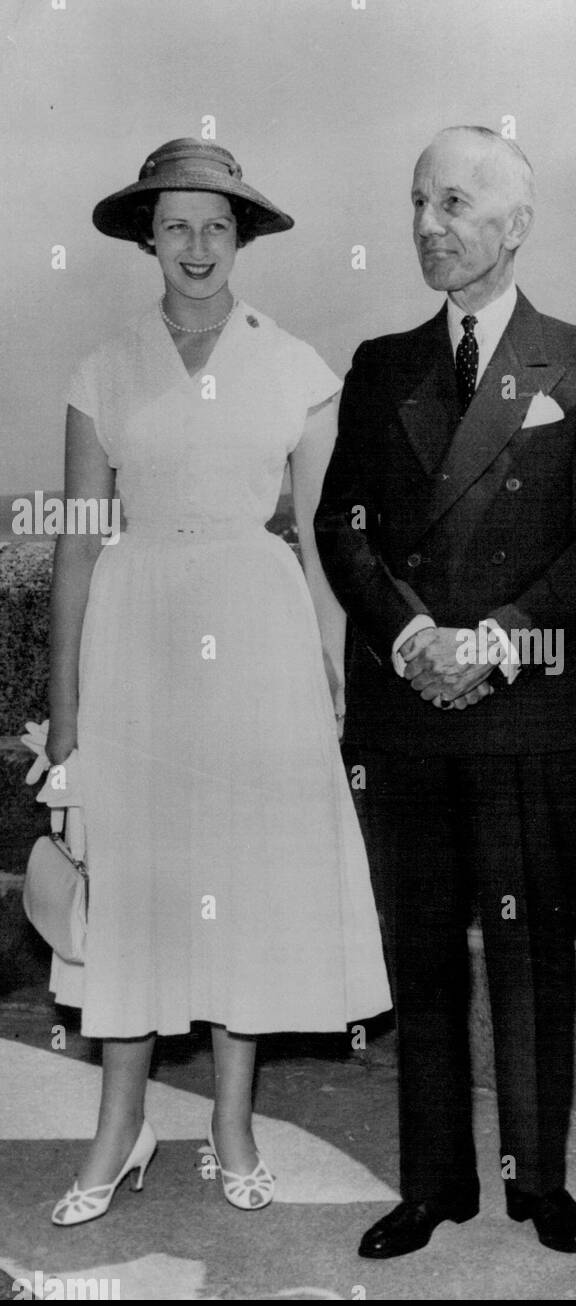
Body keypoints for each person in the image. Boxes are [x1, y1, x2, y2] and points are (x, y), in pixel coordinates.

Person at [46, 138, 391, 1225]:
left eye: (216, 225)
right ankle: (122, 1123)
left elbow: (326, 539)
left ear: (241, 238)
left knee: (242, 877)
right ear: (145, 235)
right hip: (134, 636)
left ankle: (231, 1124)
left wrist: (338, 672)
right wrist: (67, 710)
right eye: (176, 224)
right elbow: (75, 544)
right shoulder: (100, 370)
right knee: (136, 878)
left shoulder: (296, 366)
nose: (196, 246)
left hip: (257, 637)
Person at [315, 126, 576, 1258]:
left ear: (515, 225)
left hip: (525, 704)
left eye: (453, 203)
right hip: (407, 706)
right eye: (416, 202)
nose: (427, 225)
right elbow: (341, 528)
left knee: (534, 950)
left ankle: (538, 1182)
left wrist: (492, 643)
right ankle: (435, 1183)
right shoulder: (378, 364)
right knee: (421, 953)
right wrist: (412, 637)